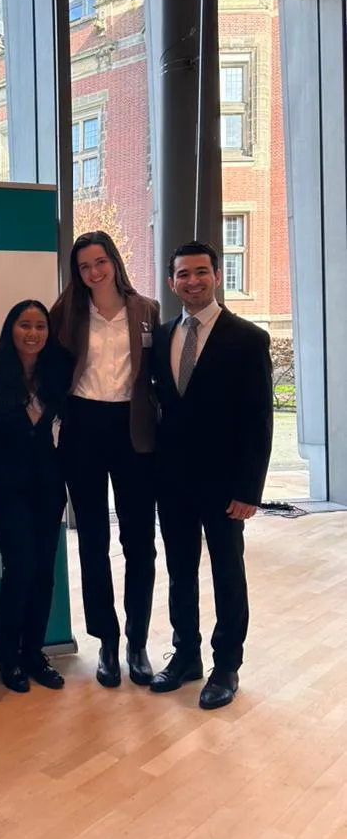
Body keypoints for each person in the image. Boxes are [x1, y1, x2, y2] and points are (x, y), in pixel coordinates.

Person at [150, 241, 273, 710]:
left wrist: (248, 490)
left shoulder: (247, 338)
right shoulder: (162, 337)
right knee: (180, 572)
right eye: (183, 274)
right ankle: (185, 656)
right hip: (173, 482)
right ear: (172, 283)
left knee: (227, 572)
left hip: (225, 486)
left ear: (217, 276)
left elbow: (259, 420)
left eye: (201, 272)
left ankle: (226, 666)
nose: (193, 281)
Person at [50, 230, 160, 688]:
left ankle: (137, 640)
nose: (93, 272)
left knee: (140, 543)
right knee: (92, 540)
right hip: (83, 429)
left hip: (133, 431)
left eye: (100, 262)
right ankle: (107, 641)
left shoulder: (146, 310)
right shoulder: (67, 312)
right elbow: (51, 368)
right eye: (84, 267)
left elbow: (157, 375)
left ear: (114, 261)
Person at [0, 301, 70, 693]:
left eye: (40, 325)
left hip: (48, 483)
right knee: (20, 567)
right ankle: (7, 654)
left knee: (43, 572)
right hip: (6, 487)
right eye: (25, 324)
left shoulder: (57, 372)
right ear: (11, 329)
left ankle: (34, 653)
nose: (33, 332)